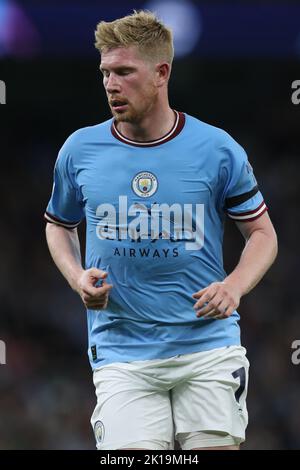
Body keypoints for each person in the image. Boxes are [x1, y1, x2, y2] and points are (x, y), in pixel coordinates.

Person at [44, 10, 278, 451]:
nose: (110, 85)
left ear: (161, 73)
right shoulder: (79, 150)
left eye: (124, 72)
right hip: (121, 352)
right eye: (105, 73)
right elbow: (58, 225)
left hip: (207, 346)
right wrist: (76, 277)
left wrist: (234, 287)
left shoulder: (217, 149)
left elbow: (263, 235)